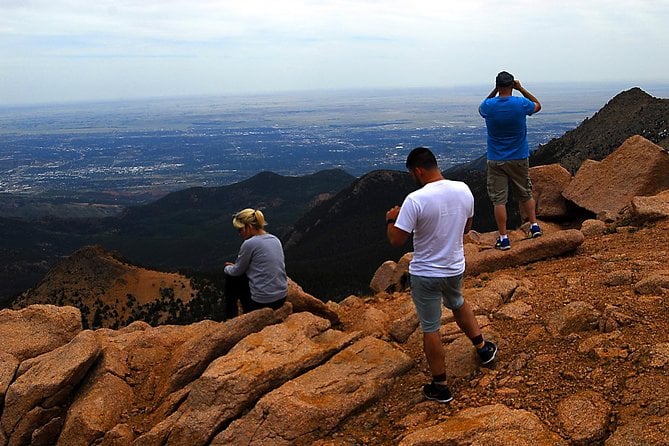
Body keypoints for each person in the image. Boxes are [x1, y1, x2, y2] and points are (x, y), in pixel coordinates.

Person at [385, 147, 497, 403]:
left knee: (431, 327)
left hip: (425, 273)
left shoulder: (415, 200)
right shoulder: (463, 190)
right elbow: (466, 229)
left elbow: (396, 240)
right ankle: (483, 348)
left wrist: (392, 218)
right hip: (454, 265)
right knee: (458, 302)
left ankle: (441, 385)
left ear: (417, 171)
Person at [479, 71, 542, 250]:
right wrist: (521, 88)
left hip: (496, 158)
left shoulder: (489, 106)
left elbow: (481, 107)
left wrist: (495, 91)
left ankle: (504, 238)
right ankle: (534, 226)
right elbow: (538, 105)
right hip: (519, 156)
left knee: (499, 200)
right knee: (525, 192)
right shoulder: (520, 104)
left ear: (498, 86)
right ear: (511, 86)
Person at [224, 208, 288, 318]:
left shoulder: (249, 243)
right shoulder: (275, 239)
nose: (239, 233)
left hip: (261, 302)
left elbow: (237, 271)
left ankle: (231, 318)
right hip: (281, 298)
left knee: (231, 278)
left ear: (249, 227)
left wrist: (227, 268)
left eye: (240, 229)